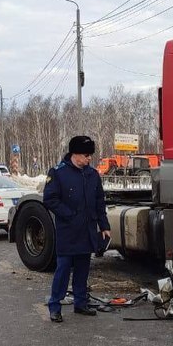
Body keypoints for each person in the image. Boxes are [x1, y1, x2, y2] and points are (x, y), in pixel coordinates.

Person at [43, 136, 111, 323]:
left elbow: (99, 202)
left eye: (90, 155)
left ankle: (80, 303)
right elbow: (49, 199)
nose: (89, 158)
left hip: (87, 231)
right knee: (63, 270)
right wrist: (70, 215)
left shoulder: (92, 174)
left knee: (83, 270)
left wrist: (104, 225)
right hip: (68, 232)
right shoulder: (58, 173)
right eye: (86, 155)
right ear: (75, 154)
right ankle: (55, 306)